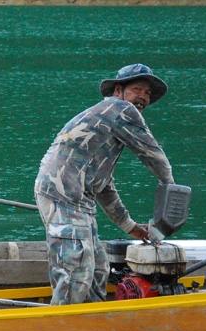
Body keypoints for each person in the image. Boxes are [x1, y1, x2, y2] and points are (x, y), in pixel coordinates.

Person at [34, 63, 175, 305]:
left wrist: (130, 226)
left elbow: (104, 186)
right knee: (75, 269)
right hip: (62, 194)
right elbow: (152, 153)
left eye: (148, 93)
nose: (143, 97)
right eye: (137, 89)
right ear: (118, 90)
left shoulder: (107, 127)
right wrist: (171, 187)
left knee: (99, 268)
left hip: (79, 199)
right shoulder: (120, 109)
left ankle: (94, 319)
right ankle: (63, 324)